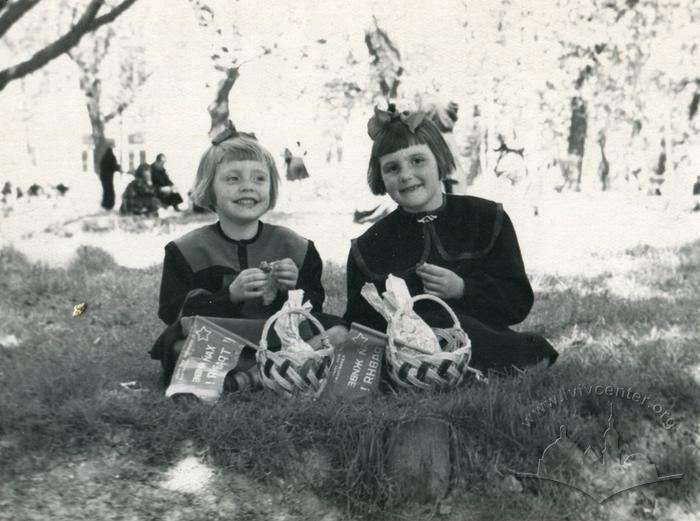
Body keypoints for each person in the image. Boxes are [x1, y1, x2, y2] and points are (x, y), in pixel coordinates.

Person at [344, 105, 558, 385]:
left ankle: (475, 368)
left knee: (516, 342)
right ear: (380, 177)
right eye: (392, 168)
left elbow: (516, 303)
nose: (406, 175)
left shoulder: (485, 217)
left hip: (480, 337)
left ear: (440, 161)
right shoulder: (369, 245)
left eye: (417, 161)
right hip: (407, 352)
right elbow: (359, 324)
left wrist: (463, 289)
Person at [150, 123, 347, 389]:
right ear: (209, 189)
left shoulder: (296, 246)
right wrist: (228, 296)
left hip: (281, 338)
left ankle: (249, 376)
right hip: (222, 338)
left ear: (271, 188)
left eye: (259, 178)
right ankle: (272, 373)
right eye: (233, 178)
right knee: (177, 346)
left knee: (339, 333)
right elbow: (173, 313)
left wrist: (291, 289)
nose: (247, 187)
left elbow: (314, 309)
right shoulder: (186, 250)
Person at [99, 146, 121, 210]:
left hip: (103, 176)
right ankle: (109, 204)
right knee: (110, 190)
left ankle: (105, 203)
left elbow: (101, 166)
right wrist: (118, 168)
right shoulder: (112, 157)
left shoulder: (104, 157)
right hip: (109, 177)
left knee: (106, 190)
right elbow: (113, 166)